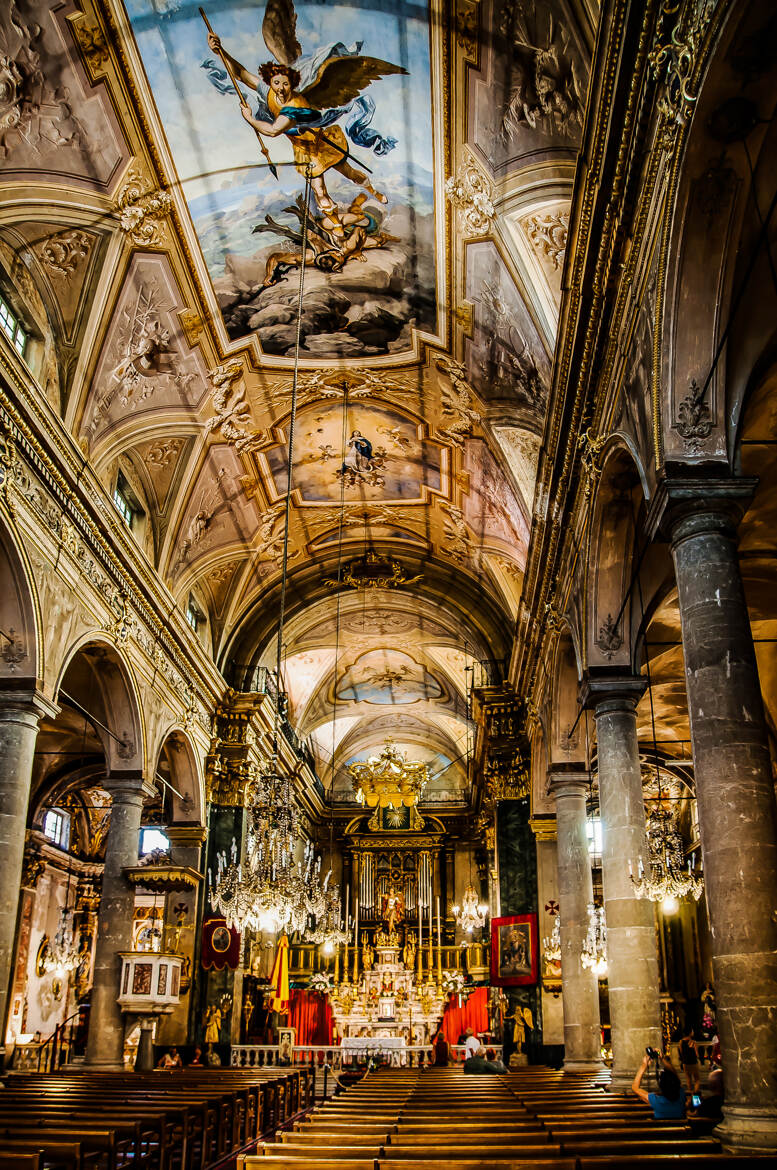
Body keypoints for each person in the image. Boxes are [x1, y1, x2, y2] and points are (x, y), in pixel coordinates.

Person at [631, 1051, 686, 1119]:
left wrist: (644, 1065)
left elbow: (635, 1087)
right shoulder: (681, 1095)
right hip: (680, 1128)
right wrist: (662, 1058)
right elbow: (675, 1075)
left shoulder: (656, 1101)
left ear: (661, 1085)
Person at [679, 1025, 700, 1094]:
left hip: (685, 1063)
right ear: (690, 1032)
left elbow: (681, 1052)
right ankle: (695, 1094)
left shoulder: (681, 1042)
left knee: (688, 1079)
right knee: (697, 1080)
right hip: (693, 1062)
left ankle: (690, 1094)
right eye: (692, 1031)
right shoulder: (693, 1042)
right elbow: (697, 1054)